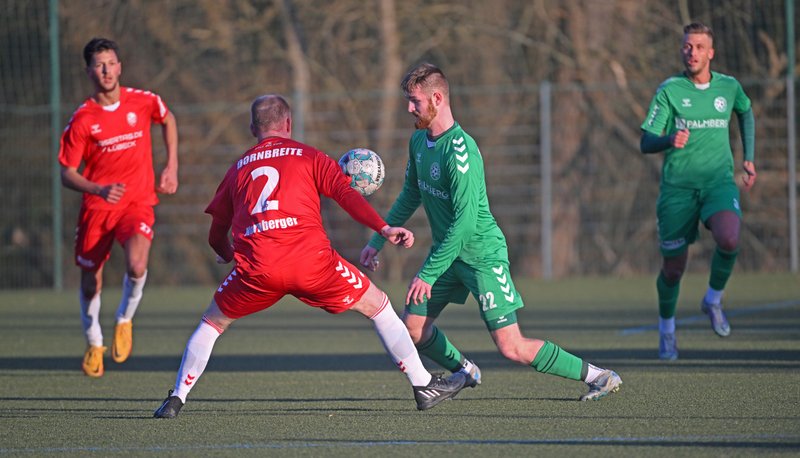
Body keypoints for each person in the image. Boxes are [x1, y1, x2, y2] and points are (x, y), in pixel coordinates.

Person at [153, 94, 466, 418]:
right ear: (288, 124)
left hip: (258, 268)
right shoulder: (309, 156)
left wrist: (226, 252)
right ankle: (423, 384)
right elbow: (345, 195)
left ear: (253, 128)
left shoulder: (237, 170)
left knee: (211, 323)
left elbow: (216, 233)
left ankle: (177, 398)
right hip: (312, 263)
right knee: (379, 306)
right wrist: (384, 228)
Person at [360, 63, 622, 401]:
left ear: (437, 99)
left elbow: (466, 223)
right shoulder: (419, 142)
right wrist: (378, 238)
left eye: (415, 101)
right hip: (448, 253)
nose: (409, 109)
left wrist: (428, 273)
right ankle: (464, 370)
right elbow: (411, 194)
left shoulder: (461, 151)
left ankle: (599, 376)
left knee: (511, 346)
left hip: (481, 255)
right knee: (413, 328)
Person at [59, 37, 179, 377]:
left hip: (137, 202)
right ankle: (94, 341)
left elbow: (168, 119)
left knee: (137, 264)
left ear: (120, 67)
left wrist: (171, 167)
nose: (107, 70)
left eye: (111, 63)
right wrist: (98, 189)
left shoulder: (142, 101)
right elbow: (67, 173)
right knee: (90, 284)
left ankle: (125, 319)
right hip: (97, 209)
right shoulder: (82, 120)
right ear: (89, 71)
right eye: (99, 65)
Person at [640, 23, 756, 360]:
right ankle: (667, 331)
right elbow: (646, 141)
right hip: (677, 190)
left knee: (729, 238)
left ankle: (713, 300)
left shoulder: (728, 87)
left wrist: (749, 158)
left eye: (699, 47)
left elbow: (745, 112)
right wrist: (668, 139)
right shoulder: (670, 90)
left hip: (718, 183)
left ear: (711, 53)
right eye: (687, 46)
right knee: (674, 269)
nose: (692, 53)